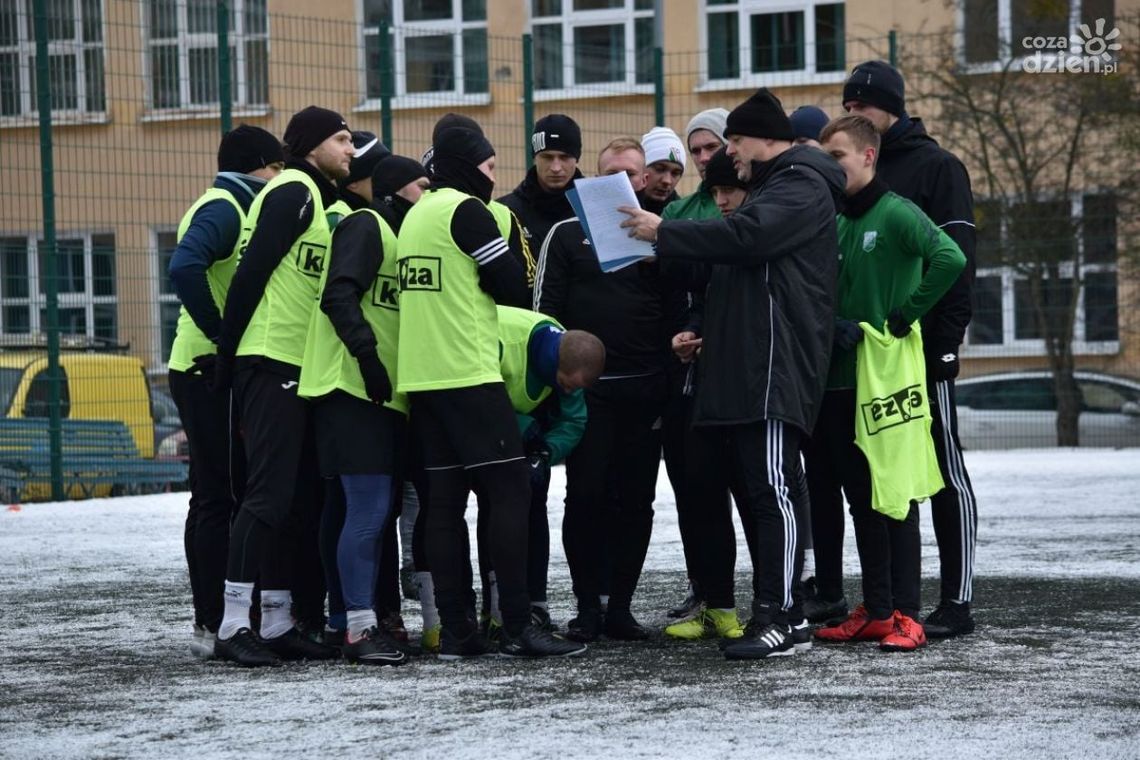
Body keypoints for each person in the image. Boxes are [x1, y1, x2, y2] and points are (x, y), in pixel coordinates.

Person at [620, 88, 845, 660]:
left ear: (761, 138)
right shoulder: (782, 184)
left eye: (736, 144)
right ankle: (784, 615)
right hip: (755, 366)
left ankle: (779, 612)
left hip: (773, 368)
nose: (729, 155)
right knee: (771, 489)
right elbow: (739, 263)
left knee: (773, 492)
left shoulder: (798, 185)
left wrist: (664, 232)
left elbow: (749, 239)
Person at [396, 126, 579, 659]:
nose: (494, 177)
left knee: (443, 507)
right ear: (469, 164)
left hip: (421, 379)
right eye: (491, 167)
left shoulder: (416, 216)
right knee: (510, 495)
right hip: (468, 372)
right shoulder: (466, 212)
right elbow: (513, 288)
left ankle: (457, 632)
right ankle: (521, 624)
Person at [208, 106, 355, 667]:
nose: (349, 149)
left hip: (292, 362)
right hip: (267, 360)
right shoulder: (292, 189)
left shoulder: (314, 198)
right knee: (265, 496)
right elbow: (250, 274)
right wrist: (228, 357)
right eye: (340, 139)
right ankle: (230, 626)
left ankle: (275, 621)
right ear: (311, 145)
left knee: (289, 500)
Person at [813, 114, 966, 651]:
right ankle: (878, 609)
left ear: (868, 157)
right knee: (861, 499)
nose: (832, 166)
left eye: (838, 156)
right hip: (836, 379)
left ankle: (908, 613)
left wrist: (907, 316)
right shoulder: (835, 220)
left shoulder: (897, 212)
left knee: (895, 497)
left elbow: (951, 257)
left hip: (885, 379)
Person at [842, 60, 980, 638]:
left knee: (944, 466)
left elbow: (957, 262)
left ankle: (958, 600)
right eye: (847, 106)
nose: (853, 115)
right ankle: (895, 604)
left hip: (922, 351)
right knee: (887, 477)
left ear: (890, 107)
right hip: (873, 359)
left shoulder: (938, 167)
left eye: (862, 106)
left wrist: (944, 346)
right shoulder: (851, 172)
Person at [535, 137, 688, 643]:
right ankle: (586, 606)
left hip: (645, 391)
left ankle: (619, 605)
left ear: (642, 180)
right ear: (593, 180)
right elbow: (546, 314)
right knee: (585, 496)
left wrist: (668, 377)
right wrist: (557, 386)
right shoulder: (564, 233)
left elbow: (676, 312)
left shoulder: (660, 234)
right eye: (611, 173)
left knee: (636, 501)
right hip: (588, 395)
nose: (623, 181)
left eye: (632, 173)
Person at [168, 124, 283, 659]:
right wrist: (222, 335)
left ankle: (222, 620)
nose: (281, 177)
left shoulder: (237, 205)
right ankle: (212, 623)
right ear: (260, 165)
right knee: (218, 495)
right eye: (277, 167)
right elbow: (185, 267)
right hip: (204, 369)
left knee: (224, 492)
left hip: (210, 368)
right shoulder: (225, 207)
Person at [298, 154, 410, 666]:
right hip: (352, 389)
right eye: (420, 186)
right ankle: (361, 628)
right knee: (366, 510)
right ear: (389, 189)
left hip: (358, 390)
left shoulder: (386, 232)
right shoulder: (367, 225)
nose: (426, 195)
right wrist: (368, 360)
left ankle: (343, 620)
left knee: (346, 510)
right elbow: (338, 296)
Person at [451, 305, 605, 642]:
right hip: (463, 413)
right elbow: (473, 398)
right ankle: (472, 614)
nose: (567, 391)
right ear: (554, 366)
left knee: (529, 506)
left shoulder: (570, 356)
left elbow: (574, 421)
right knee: (466, 510)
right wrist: (520, 426)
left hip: (512, 424)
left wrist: (545, 453)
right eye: (564, 384)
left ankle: (532, 605)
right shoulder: (501, 340)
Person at [661, 145, 753, 643]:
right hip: (704, 389)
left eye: (728, 189)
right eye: (714, 190)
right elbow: (702, 300)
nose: (720, 200)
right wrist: (689, 334)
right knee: (702, 496)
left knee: (760, 500)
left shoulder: (763, 234)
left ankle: (777, 605)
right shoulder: (717, 237)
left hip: (753, 392)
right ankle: (716, 602)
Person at [656, 106, 730, 622]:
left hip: (736, 367)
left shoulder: (739, 205)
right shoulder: (680, 213)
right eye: (696, 150)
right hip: (686, 370)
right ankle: (704, 589)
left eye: (711, 148)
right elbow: (665, 285)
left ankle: (791, 589)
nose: (705, 159)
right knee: (693, 490)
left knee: (760, 490)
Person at [498, 114, 584, 253]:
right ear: (535, 158)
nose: (556, 168)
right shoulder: (506, 211)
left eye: (564, 157)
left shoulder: (594, 208)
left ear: (576, 158)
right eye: (547, 157)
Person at [372, 155, 430, 234]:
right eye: (422, 186)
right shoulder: (369, 224)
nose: (428, 193)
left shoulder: (400, 224)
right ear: (396, 186)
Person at [639, 126, 686, 214]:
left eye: (675, 173)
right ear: (641, 168)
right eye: (659, 169)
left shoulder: (685, 215)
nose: (667, 181)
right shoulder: (618, 208)